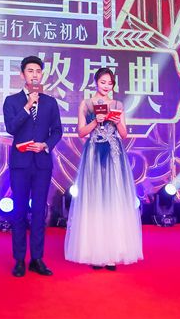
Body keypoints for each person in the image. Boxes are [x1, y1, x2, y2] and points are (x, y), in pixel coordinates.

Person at [64, 67, 143, 270]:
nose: (106, 86)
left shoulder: (117, 105)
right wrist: (95, 122)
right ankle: (95, 252)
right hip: (93, 154)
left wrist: (117, 122)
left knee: (113, 200)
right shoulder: (86, 104)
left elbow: (124, 134)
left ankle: (112, 253)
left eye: (110, 83)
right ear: (96, 83)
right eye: (103, 82)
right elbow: (81, 132)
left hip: (114, 155)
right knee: (94, 200)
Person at [3, 55, 63, 277]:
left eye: (38, 71)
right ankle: (19, 259)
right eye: (30, 71)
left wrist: (45, 145)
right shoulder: (12, 101)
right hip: (20, 164)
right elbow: (11, 128)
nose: (34, 74)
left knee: (39, 211)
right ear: (22, 75)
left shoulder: (50, 102)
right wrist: (28, 106)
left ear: (42, 74)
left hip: (42, 164)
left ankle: (37, 258)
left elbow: (57, 130)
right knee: (19, 210)